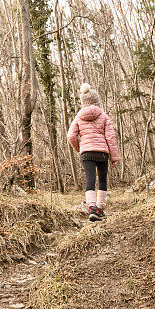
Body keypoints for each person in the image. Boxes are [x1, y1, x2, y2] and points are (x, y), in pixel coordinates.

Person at [67, 83, 119, 221]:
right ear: (97, 101)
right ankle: (100, 210)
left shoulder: (78, 117)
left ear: (83, 101)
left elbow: (71, 136)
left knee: (90, 180)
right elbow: (110, 137)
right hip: (102, 153)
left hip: (87, 153)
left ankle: (91, 209)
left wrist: (79, 148)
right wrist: (114, 157)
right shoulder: (103, 116)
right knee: (102, 179)